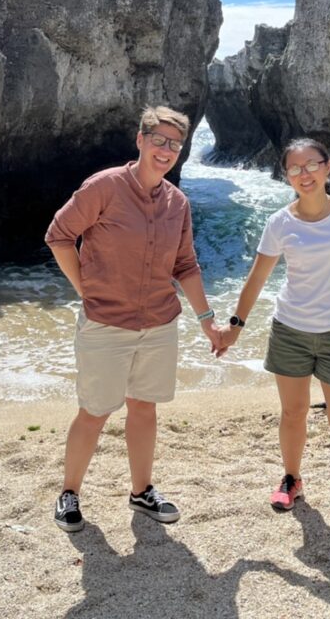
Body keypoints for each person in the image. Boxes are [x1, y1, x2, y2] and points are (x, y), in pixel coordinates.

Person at [45, 106, 222, 533]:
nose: (166, 150)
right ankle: (69, 493)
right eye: (158, 140)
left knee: (145, 408)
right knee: (95, 411)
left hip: (159, 323)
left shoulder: (177, 202)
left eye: (174, 145)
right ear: (140, 140)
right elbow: (59, 235)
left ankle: (141, 491)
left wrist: (207, 321)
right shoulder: (105, 186)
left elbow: (186, 265)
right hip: (106, 322)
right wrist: (85, 289)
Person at [217, 138, 330, 520]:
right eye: (295, 168)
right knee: (292, 413)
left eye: (311, 165)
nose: (304, 174)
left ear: (327, 167)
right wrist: (235, 326)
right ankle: (292, 479)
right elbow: (256, 279)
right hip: (290, 330)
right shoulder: (280, 222)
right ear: (286, 175)